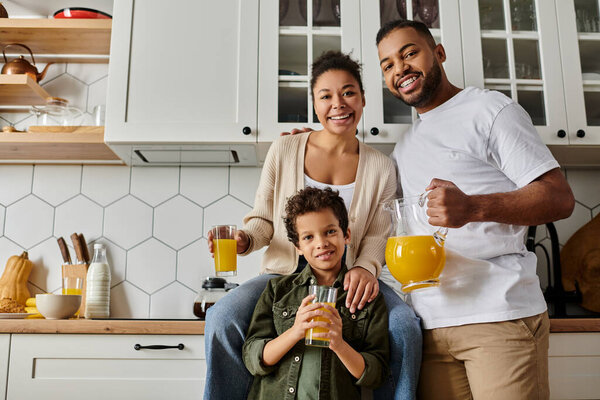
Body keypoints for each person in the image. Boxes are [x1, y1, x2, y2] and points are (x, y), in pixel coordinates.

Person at [204, 51, 422, 400]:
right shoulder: (285, 148)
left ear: (363, 99)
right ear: (314, 105)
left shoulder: (381, 166)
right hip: (280, 275)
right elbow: (262, 218)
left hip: (350, 278)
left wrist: (365, 267)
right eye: (326, 96)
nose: (339, 104)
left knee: (404, 328)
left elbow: (381, 232)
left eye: (349, 92)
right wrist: (245, 240)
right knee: (221, 319)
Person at [376, 20, 575, 400]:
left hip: (499, 316)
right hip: (430, 327)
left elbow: (559, 197)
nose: (399, 68)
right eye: (387, 65)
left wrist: (472, 207)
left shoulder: (490, 110)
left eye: (409, 53)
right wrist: (314, 145)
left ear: (439, 53)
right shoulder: (403, 146)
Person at [243, 186, 389, 399]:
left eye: (330, 231)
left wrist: (339, 344)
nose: (321, 243)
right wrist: (296, 331)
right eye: (309, 237)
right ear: (298, 247)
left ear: (346, 235)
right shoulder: (278, 291)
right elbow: (253, 358)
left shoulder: (366, 298)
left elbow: (376, 374)